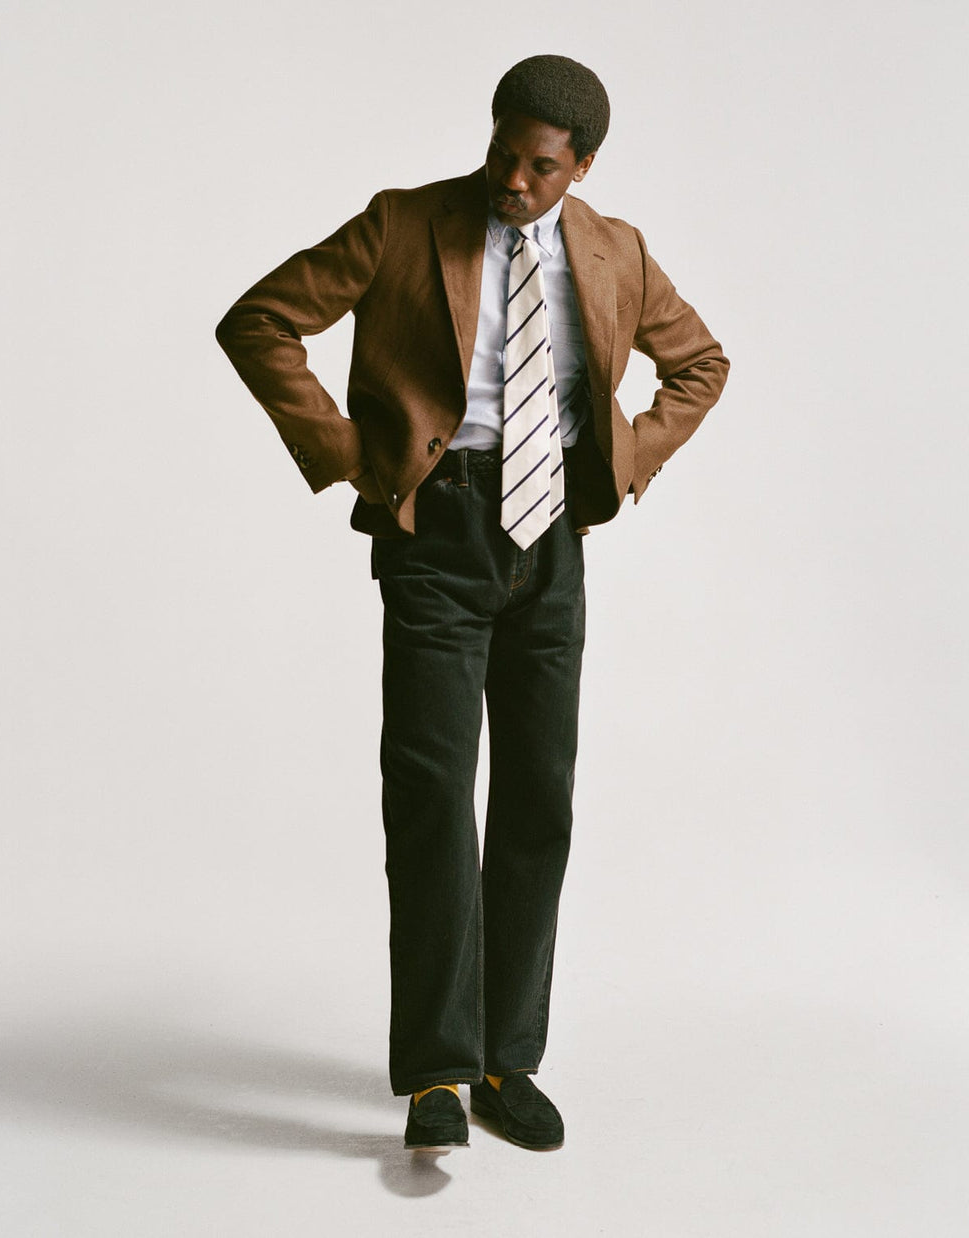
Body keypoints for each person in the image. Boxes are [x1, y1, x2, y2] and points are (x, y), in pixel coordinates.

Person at [216, 54, 729, 1153]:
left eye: (539, 166)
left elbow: (700, 365)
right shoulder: (402, 224)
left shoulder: (616, 249)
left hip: (552, 543)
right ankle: (437, 1072)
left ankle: (506, 1059)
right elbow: (259, 320)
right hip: (439, 537)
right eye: (502, 152)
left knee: (539, 800)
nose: (513, 179)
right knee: (434, 797)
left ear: (581, 166)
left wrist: (627, 457)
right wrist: (348, 452)